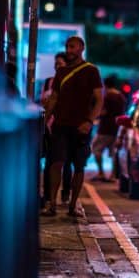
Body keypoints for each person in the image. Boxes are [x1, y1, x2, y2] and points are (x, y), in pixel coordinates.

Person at [42, 36, 103, 218]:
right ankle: (52, 203)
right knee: (56, 163)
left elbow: (99, 99)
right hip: (61, 124)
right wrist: (45, 121)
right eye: (67, 47)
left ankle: (73, 204)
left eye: (72, 47)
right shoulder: (61, 72)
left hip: (81, 127)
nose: (69, 50)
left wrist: (89, 121)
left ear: (81, 48)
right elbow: (54, 98)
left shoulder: (91, 71)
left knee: (78, 166)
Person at [40, 52, 72, 205]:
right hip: (49, 126)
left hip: (64, 125)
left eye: (60, 63)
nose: (57, 66)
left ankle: (65, 195)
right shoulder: (48, 82)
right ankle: (48, 196)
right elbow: (43, 103)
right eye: (56, 63)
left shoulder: (71, 81)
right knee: (49, 162)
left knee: (65, 162)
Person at [91, 75, 126, 181]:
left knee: (96, 148)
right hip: (117, 128)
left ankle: (101, 172)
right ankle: (112, 175)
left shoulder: (106, 97)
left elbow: (103, 111)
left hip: (105, 128)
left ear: (104, 85)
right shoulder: (121, 96)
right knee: (114, 153)